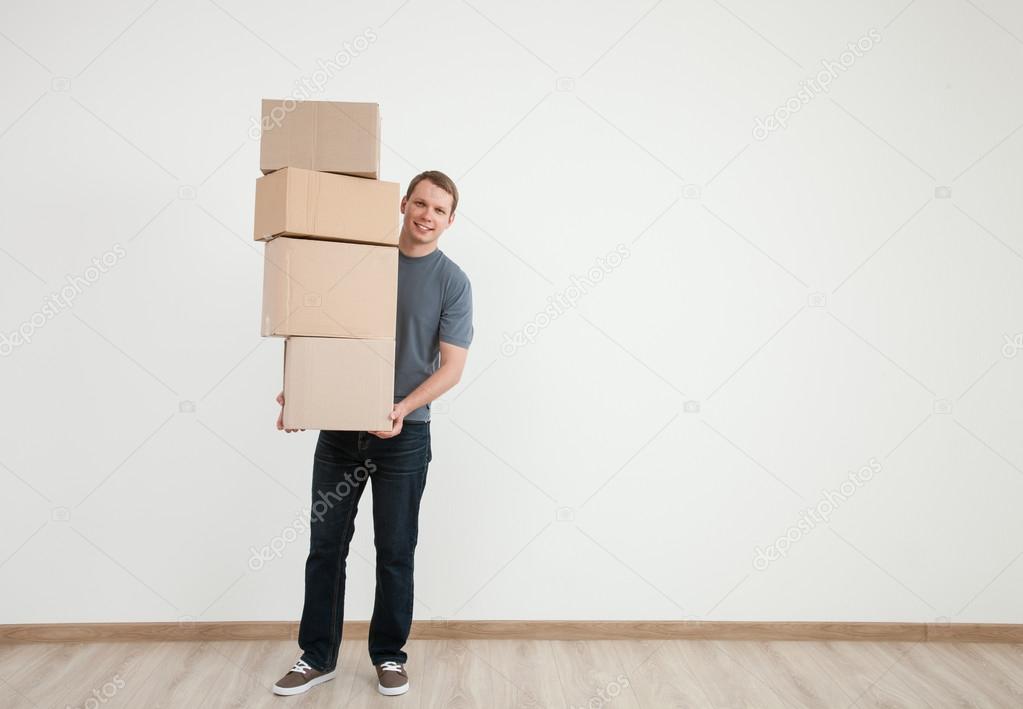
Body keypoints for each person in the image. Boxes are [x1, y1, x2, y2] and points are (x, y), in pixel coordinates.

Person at [270, 171, 473, 698]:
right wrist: (300, 391)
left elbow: (451, 368)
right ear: (404, 204)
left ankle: (388, 656)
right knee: (325, 547)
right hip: (341, 429)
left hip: (405, 436)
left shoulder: (453, 282)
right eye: (421, 203)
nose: (428, 215)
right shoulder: (362, 259)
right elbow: (318, 327)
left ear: (452, 220)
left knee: (395, 550)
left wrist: (402, 407)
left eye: (439, 209)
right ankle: (316, 657)